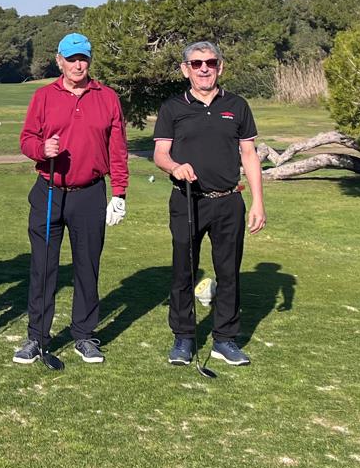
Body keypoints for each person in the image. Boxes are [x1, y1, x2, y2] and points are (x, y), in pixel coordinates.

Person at [16, 32, 130, 365]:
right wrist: (41, 149)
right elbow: (26, 139)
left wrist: (119, 192)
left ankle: (84, 335)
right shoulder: (43, 96)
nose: (78, 65)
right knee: (44, 267)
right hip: (49, 191)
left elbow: (117, 149)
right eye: (72, 59)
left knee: (87, 267)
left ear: (89, 61)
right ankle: (37, 337)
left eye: (83, 58)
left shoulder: (106, 97)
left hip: (90, 193)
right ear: (60, 61)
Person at [151, 41, 267, 367]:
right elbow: (161, 153)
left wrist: (258, 202)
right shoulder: (173, 107)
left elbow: (249, 154)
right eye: (197, 63)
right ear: (184, 69)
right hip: (188, 200)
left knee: (228, 272)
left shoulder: (237, 105)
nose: (205, 68)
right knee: (183, 271)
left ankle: (225, 340)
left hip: (229, 200)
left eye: (211, 63)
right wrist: (174, 167)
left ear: (221, 66)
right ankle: (184, 338)